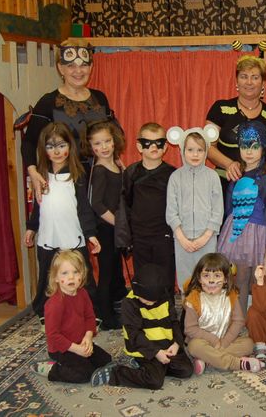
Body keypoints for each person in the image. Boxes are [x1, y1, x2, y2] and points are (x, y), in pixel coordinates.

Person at [21, 39, 117, 201]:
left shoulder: (100, 98)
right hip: (63, 181)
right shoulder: (48, 102)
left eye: (83, 65)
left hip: (100, 180)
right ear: (60, 68)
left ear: (91, 67)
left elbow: (111, 136)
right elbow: (29, 142)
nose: (78, 71)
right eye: (71, 65)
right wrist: (32, 171)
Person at [24, 122, 100, 322]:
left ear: (70, 146)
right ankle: (45, 311)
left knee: (82, 275)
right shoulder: (40, 176)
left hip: (72, 236)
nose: (56, 151)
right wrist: (31, 228)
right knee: (47, 275)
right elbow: (38, 206)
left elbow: (84, 208)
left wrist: (90, 234)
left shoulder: (77, 175)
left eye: (61, 145)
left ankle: (90, 311)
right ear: (44, 149)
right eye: (50, 146)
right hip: (48, 237)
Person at [217, 120, 266, 314]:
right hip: (237, 234)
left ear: (263, 148)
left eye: (254, 146)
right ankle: (240, 318)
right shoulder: (236, 174)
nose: (249, 152)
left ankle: (259, 318)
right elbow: (229, 207)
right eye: (244, 146)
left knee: (259, 278)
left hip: (259, 235)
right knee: (241, 277)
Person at [90, 262, 193, 388]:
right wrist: (156, 352)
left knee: (186, 370)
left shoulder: (164, 297)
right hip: (143, 348)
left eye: (154, 300)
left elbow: (174, 322)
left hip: (165, 344)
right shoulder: (130, 303)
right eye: (147, 300)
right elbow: (134, 335)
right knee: (155, 382)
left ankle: (154, 368)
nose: (151, 304)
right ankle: (115, 373)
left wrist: (176, 343)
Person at [32, 250, 112, 383]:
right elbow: (53, 335)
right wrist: (77, 349)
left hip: (80, 341)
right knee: (84, 374)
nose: (71, 277)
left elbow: (90, 317)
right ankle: (52, 369)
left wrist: (88, 337)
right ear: (56, 278)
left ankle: (79, 359)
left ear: (82, 274)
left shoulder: (83, 293)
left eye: (76, 272)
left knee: (106, 360)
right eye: (65, 273)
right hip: (61, 349)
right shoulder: (55, 304)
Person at [115, 122, 176, 294]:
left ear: (165, 146)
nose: (154, 147)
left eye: (159, 142)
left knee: (165, 276)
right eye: (148, 143)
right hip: (140, 237)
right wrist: (124, 238)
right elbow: (125, 205)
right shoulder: (131, 173)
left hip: (164, 236)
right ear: (139, 146)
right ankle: (142, 309)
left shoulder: (173, 174)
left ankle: (168, 308)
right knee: (142, 277)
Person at [183, 253, 264, 375]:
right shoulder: (194, 298)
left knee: (248, 344)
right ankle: (237, 363)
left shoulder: (231, 295)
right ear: (199, 278)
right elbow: (190, 329)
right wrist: (213, 340)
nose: (211, 280)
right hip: (201, 341)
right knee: (194, 347)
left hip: (225, 339)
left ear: (225, 279)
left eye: (217, 276)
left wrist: (224, 342)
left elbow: (238, 321)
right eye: (206, 276)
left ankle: (208, 360)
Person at [206, 55, 266, 193]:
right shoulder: (220, 108)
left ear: (263, 83)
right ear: (237, 81)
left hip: (262, 187)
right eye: (244, 76)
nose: (249, 82)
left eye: (255, 77)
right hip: (224, 184)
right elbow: (207, 146)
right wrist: (229, 164)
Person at [166, 126, 224, 291]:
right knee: (186, 280)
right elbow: (171, 211)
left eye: (200, 150)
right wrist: (181, 237)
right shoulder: (175, 177)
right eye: (190, 150)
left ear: (206, 152)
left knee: (208, 277)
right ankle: (188, 305)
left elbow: (218, 209)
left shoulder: (212, 176)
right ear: (182, 150)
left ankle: (208, 306)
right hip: (182, 239)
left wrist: (206, 236)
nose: (195, 154)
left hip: (207, 238)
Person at [85, 120, 127, 330]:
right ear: (91, 147)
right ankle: (105, 317)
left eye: (107, 141)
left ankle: (116, 305)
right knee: (107, 272)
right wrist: (118, 223)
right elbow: (96, 203)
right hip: (105, 228)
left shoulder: (116, 164)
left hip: (115, 228)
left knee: (116, 269)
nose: (103, 147)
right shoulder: (100, 170)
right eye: (97, 144)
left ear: (114, 141)